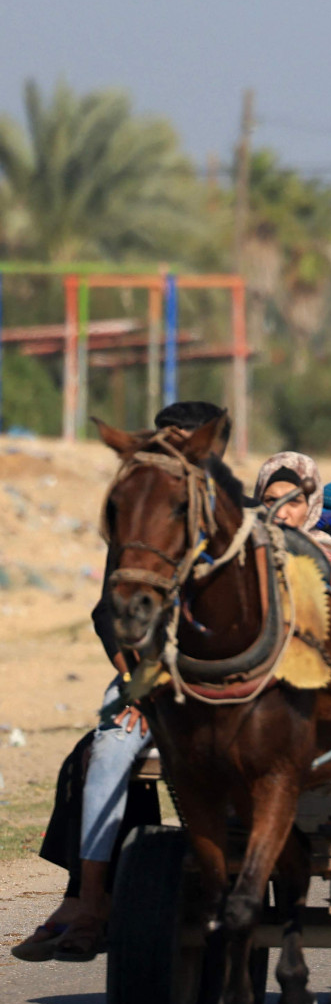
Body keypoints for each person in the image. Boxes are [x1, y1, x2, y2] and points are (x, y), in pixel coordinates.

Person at [14, 400, 225, 963]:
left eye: (181, 444)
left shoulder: (233, 524)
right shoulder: (140, 522)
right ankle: (88, 902)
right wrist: (138, 685)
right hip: (152, 679)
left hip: (225, 687)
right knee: (105, 749)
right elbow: (112, 613)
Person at [253, 452, 325, 536]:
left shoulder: (323, 547)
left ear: (312, 507)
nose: (280, 514)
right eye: (271, 501)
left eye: (294, 502)